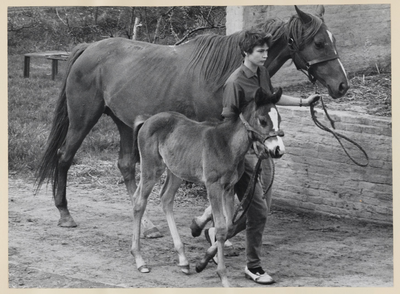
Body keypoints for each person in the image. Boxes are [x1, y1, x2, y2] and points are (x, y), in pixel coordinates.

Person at [204, 30, 320, 285]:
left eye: (267, 51)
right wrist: (248, 147)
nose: (266, 55)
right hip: (241, 155)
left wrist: (303, 102)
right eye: (261, 51)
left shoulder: (263, 72)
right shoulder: (235, 82)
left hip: (265, 148)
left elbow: (269, 104)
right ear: (246, 53)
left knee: (261, 209)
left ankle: (215, 233)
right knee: (258, 211)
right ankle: (253, 266)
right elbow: (228, 122)